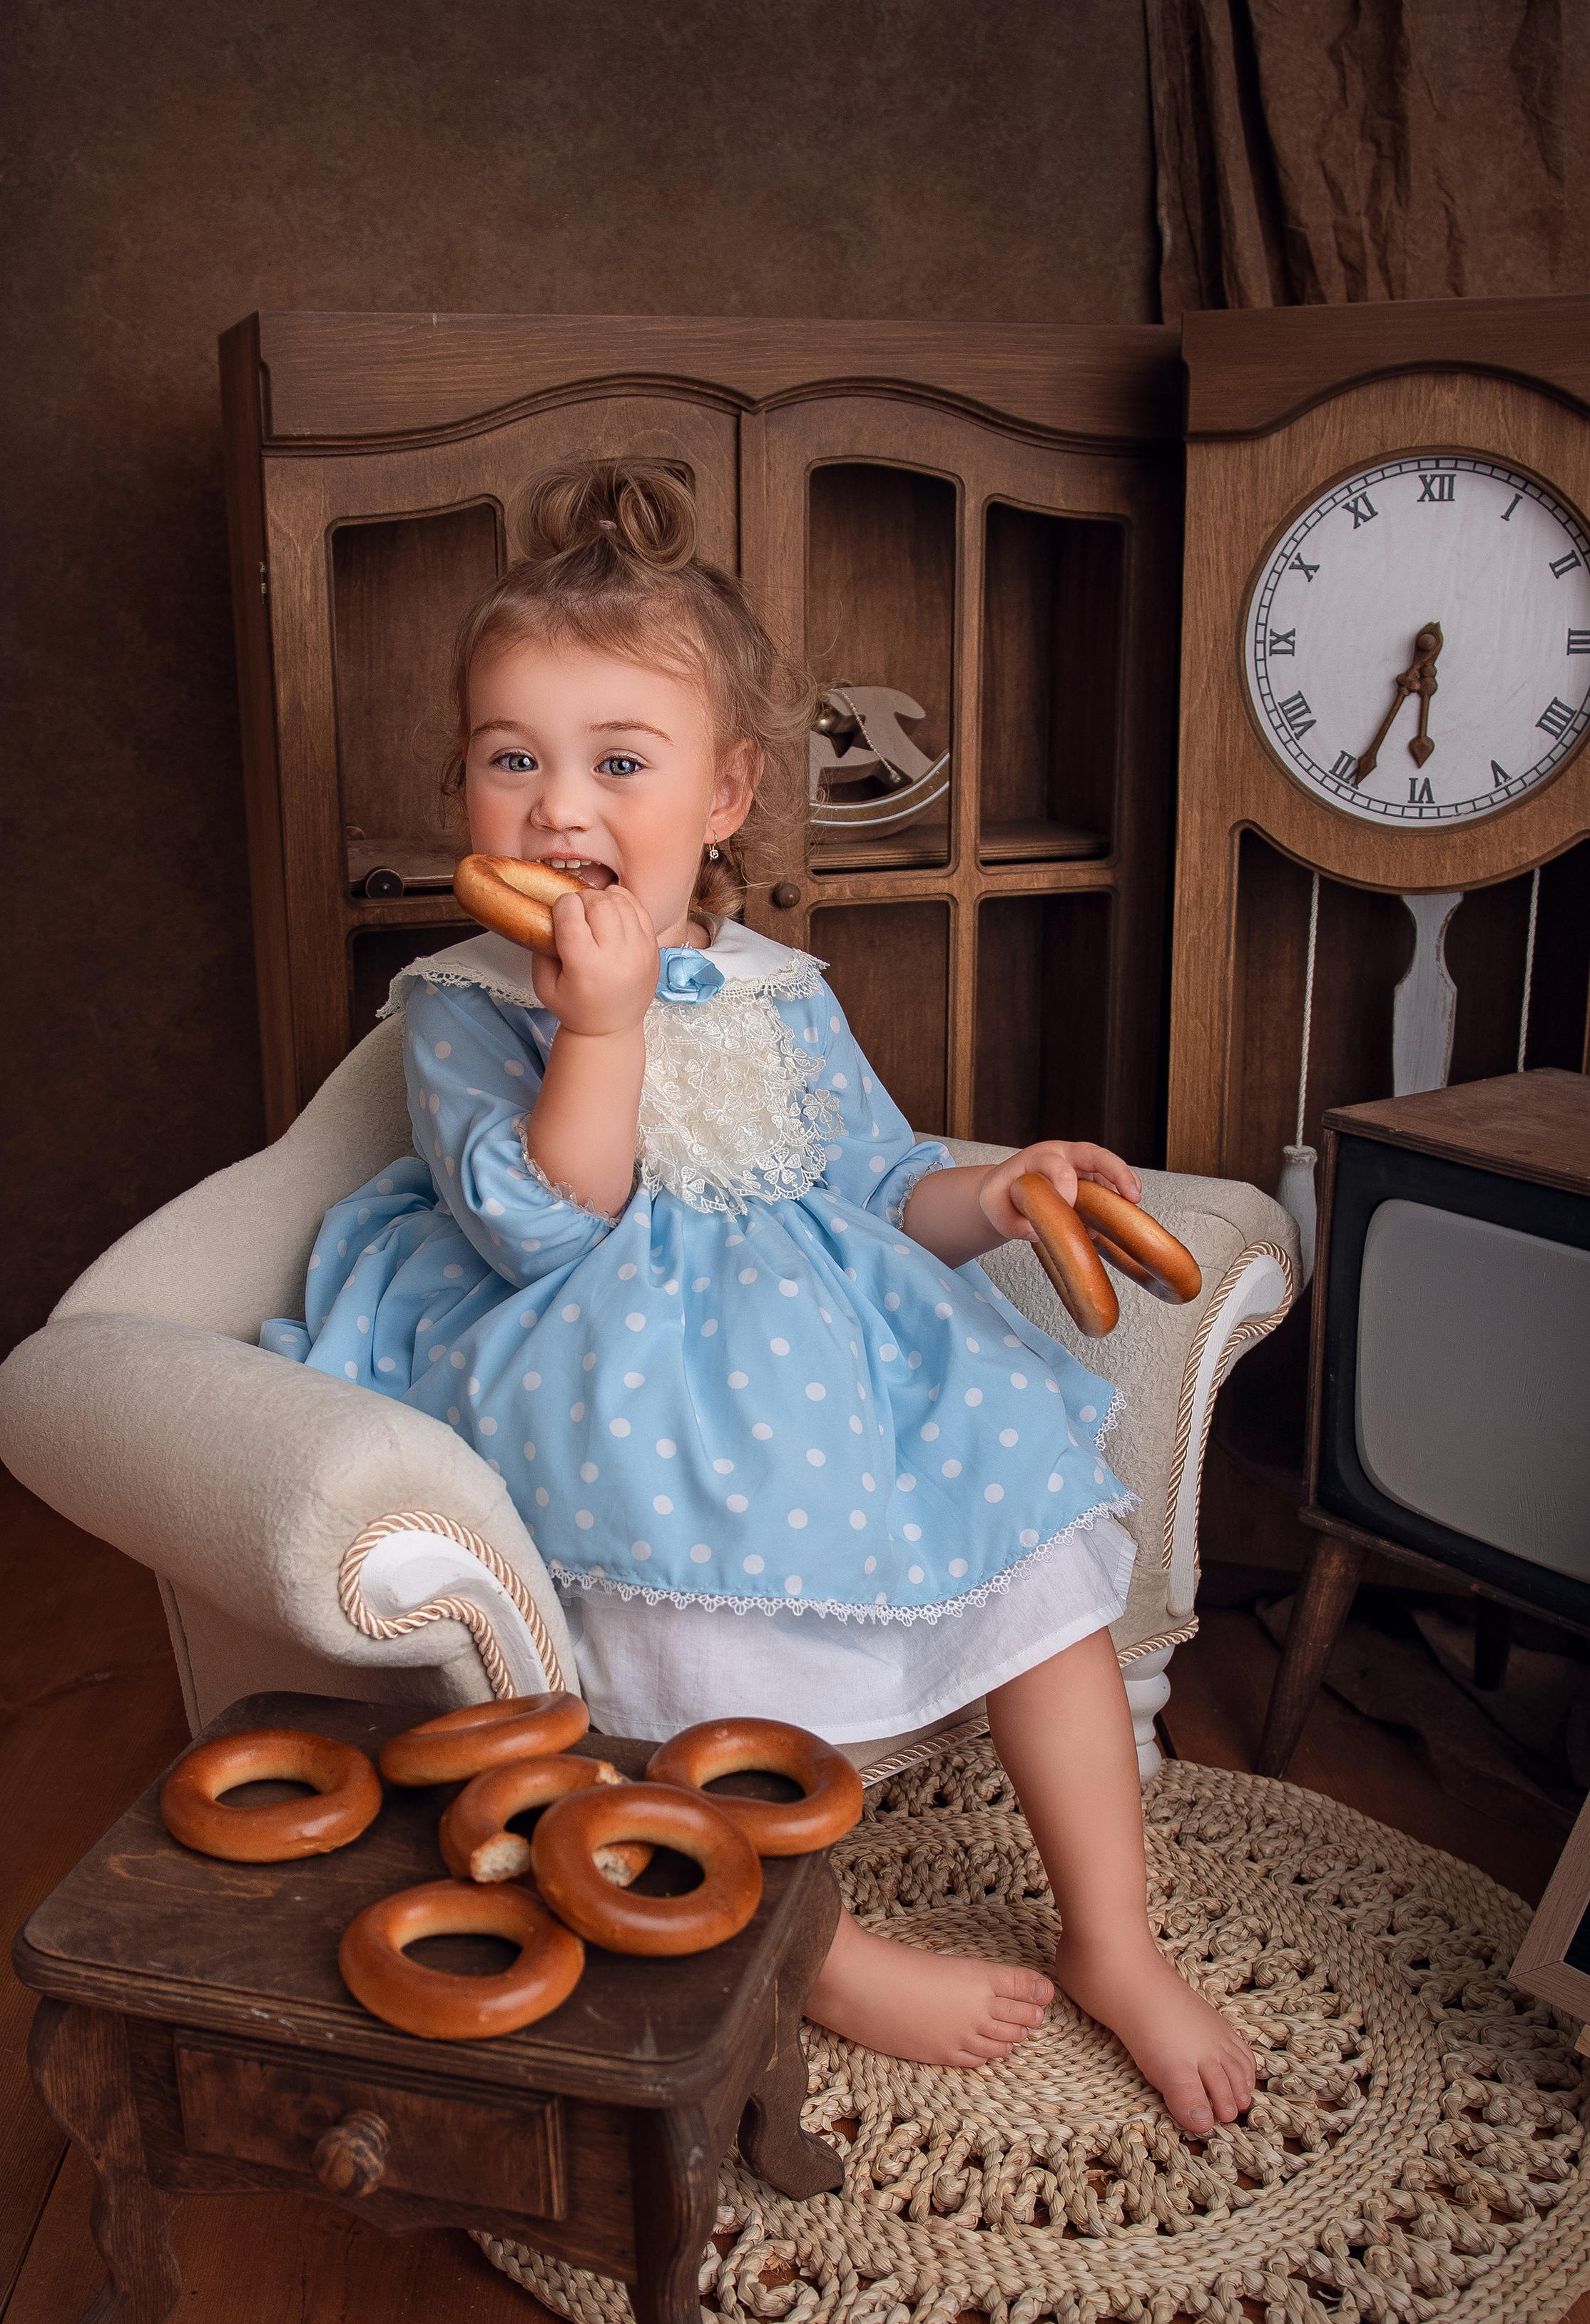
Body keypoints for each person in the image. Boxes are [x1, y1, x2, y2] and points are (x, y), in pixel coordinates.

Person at [263, 462, 1254, 2134]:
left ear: (723, 796)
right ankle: (812, 1940)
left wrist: (996, 1186)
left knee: (1028, 1537)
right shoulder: (460, 1000)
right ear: (464, 784)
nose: (558, 808)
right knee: (671, 1604)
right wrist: (600, 1025)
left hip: (823, 1342)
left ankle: (1115, 1936)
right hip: (594, 1345)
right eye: (513, 761)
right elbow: (538, 1227)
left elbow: (871, 1183)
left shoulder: (784, 990)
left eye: (617, 764)